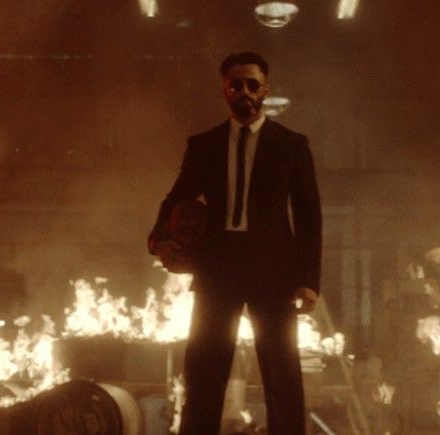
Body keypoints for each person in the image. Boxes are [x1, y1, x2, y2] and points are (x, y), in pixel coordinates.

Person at [148, 51, 322, 434]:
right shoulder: (204, 144)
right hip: (218, 266)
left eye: (251, 84)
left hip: (274, 271)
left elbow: (309, 215)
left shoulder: (292, 145)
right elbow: (177, 197)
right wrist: (158, 238)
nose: (244, 91)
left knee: (282, 375)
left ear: (265, 89)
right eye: (235, 84)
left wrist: (309, 280)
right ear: (225, 90)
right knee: (204, 373)